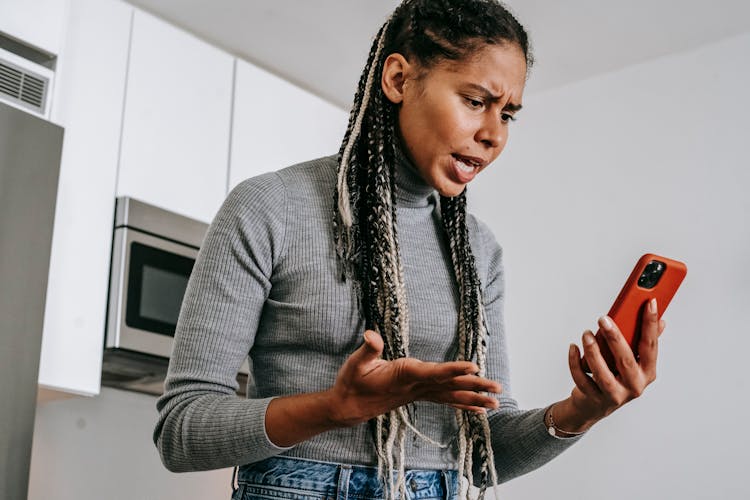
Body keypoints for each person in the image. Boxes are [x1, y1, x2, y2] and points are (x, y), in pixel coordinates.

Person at [153, 1, 666, 499]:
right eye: (475, 101)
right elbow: (182, 428)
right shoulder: (270, 207)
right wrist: (335, 407)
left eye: (508, 114)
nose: (492, 135)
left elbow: (484, 457)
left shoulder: (478, 252)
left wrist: (580, 412)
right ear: (398, 79)